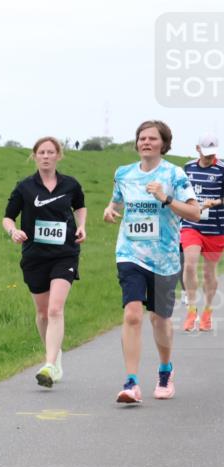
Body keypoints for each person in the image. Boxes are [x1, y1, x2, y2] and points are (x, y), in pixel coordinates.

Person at [102, 120, 200, 403]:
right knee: (133, 313)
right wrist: (110, 209)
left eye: (152, 139)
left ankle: (165, 370)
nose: (146, 142)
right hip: (130, 254)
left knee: (160, 320)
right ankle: (131, 382)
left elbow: (194, 213)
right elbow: (117, 201)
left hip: (165, 259)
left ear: (163, 144)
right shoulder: (124, 173)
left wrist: (165, 198)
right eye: (141, 138)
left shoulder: (174, 174)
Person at [2, 137, 87, 387]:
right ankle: (55, 356)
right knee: (41, 313)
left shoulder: (70, 184)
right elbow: (7, 217)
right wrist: (13, 232)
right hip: (34, 256)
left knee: (54, 309)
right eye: (42, 152)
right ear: (35, 156)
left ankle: (49, 365)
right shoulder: (25, 187)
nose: (46, 156)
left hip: (65, 253)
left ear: (58, 156)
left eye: (51, 152)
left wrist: (82, 226)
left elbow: (80, 206)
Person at [180, 134, 223, 332]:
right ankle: (191, 310)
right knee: (189, 265)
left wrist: (217, 202)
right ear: (198, 149)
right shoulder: (187, 168)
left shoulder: (222, 169)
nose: (209, 157)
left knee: (209, 273)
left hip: (215, 228)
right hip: (191, 224)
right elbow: (180, 192)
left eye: (212, 153)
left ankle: (207, 312)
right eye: (206, 153)